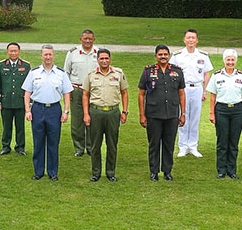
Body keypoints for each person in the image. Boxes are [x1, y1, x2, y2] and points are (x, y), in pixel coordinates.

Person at [137, 45, 187, 182]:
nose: (163, 56)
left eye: (165, 54)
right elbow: (141, 94)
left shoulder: (177, 71)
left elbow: (181, 93)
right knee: (154, 144)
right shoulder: (148, 71)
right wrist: (142, 115)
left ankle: (167, 171)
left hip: (171, 114)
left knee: (169, 144)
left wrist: (183, 113)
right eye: (160, 54)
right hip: (153, 114)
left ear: (169, 56)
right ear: (155, 56)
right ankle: (153, 172)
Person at [23, 45, 71, 181]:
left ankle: (52, 172)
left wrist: (66, 111)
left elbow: (67, 93)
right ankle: (38, 171)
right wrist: (27, 110)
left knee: (53, 142)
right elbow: (27, 93)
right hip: (37, 109)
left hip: (54, 110)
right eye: (45, 55)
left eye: (50, 54)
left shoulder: (61, 73)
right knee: (38, 142)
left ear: (53, 56)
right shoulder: (34, 72)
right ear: (41, 56)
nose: (48, 57)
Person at [82, 48, 128, 182]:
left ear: (110, 59)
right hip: (96, 112)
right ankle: (96, 173)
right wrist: (86, 114)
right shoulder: (91, 75)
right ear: (97, 60)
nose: (104, 61)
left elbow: (124, 93)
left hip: (113, 112)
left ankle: (110, 172)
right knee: (95, 145)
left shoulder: (118, 74)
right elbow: (85, 95)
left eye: (106, 58)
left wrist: (124, 111)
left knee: (112, 144)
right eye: (101, 58)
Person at [206, 49, 242, 179]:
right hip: (221, 110)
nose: (230, 62)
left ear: (235, 61)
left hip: (237, 110)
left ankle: (232, 170)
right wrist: (212, 113)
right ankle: (221, 170)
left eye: (232, 60)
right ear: (224, 61)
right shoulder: (217, 75)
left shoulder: (241, 76)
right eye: (228, 60)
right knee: (222, 141)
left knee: (233, 142)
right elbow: (212, 96)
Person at [171, 28, 212, 158]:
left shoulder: (203, 56)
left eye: (193, 38)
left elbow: (206, 73)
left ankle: (193, 146)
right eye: (188, 38)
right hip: (182, 89)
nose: (191, 40)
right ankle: (182, 147)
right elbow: (171, 72)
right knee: (182, 116)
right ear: (184, 40)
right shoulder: (177, 56)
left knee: (195, 118)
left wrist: (204, 90)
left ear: (197, 40)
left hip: (197, 88)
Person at [63, 29, 100, 157]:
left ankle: (91, 147)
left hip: (94, 91)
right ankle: (79, 147)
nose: (88, 41)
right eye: (85, 38)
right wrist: (68, 91)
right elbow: (66, 73)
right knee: (77, 121)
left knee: (93, 119)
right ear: (81, 39)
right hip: (77, 90)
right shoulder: (73, 53)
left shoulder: (99, 52)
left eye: (90, 38)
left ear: (94, 40)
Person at [0, 42, 31, 155]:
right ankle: (6, 146)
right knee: (6, 126)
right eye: (11, 51)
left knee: (20, 126)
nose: (13, 53)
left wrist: (29, 102)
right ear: (7, 52)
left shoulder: (25, 66)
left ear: (19, 52)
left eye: (15, 51)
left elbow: (29, 85)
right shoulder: (1, 65)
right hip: (6, 101)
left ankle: (20, 147)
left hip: (20, 101)